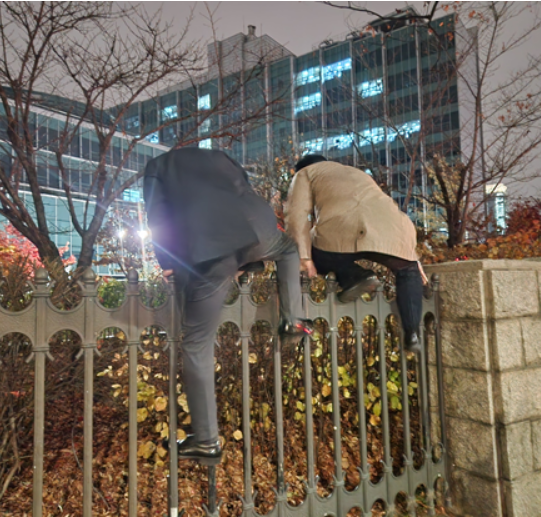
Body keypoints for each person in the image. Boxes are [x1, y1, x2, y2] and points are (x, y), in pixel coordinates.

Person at [144, 148, 313, 466]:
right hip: (258, 231)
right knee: (288, 249)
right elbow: (243, 187)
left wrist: (167, 261)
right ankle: (294, 319)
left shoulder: (157, 166)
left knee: (196, 344)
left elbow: (157, 216)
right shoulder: (219, 156)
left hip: (213, 246)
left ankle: (206, 441)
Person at [285, 154, 424, 353]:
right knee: (407, 270)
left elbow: (297, 215)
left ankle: (356, 276)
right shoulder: (356, 172)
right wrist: (416, 264)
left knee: (315, 244)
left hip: (347, 225)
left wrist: (304, 257)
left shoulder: (305, 174)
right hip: (398, 226)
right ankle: (412, 334)